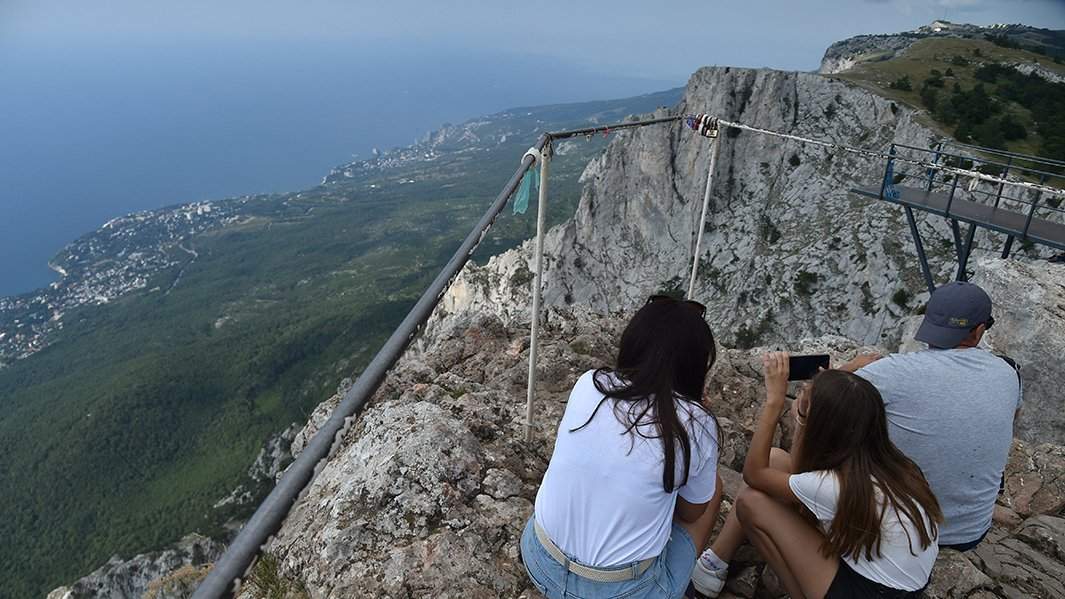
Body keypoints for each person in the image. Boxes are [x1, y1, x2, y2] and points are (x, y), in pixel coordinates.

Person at [520, 295, 723, 599]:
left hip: (540, 561)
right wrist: (696, 416)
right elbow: (692, 514)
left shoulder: (590, 384)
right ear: (695, 367)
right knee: (711, 488)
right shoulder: (697, 425)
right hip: (621, 592)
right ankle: (689, 581)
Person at [698, 354, 942, 599]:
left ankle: (715, 571)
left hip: (875, 592)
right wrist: (840, 378)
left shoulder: (836, 485)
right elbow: (798, 471)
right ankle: (715, 562)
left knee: (753, 503)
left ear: (823, 428)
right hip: (898, 581)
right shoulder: (892, 464)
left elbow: (754, 475)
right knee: (776, 460)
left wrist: (775, 402)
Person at [843, 281, 1021, 552]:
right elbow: (1009, 419)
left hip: (901, 532)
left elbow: (824, 399)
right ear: (979, 331)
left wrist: (852, 367)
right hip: (970, 534)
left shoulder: (890, 372)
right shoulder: (1008, 373)